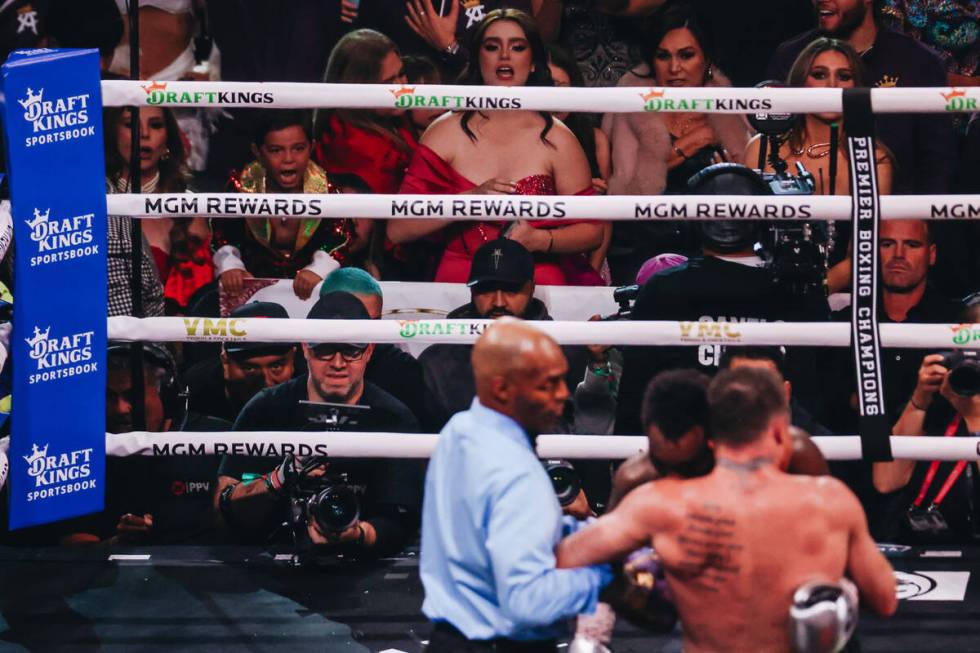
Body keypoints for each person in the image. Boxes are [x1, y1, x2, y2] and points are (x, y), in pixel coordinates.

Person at [557, 367, 897, 652]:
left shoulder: (660, 502)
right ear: (781, 430)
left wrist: (625, 586)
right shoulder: (830, 499)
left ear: (710, 434)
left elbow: (564, 559)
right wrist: (830, 589)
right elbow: (884, 599)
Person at [421, 320, 612, 651]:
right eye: (548, 385)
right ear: (502, 389)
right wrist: (606, 578)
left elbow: (488, 527)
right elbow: (528, 603)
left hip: (448, 638)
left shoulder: (460, 430)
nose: (564, 394)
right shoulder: (518, 474)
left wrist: (585, 534)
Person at [389, 9, 605, 286]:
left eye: (517, 47)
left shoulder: (558, 138)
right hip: (459, 279)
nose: (504, 56)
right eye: (492, 47)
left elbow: (592, 231)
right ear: (478, 59)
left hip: (536, 277)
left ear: (534, 62)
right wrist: (467, 202)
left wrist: (542, 240)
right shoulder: (444, 131)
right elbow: (398, 230)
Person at [614, 164, 830, 435]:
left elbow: (634, 406)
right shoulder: (799, 291)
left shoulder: (664, 289)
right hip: (776, 453)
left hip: (687, 457)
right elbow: (821, 402)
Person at [213, 292, 422, 554]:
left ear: (368, 351)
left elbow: (401, 519)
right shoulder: (266, 408)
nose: (337, 364)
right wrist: (279, 478)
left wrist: (357, 534)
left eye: (350, 351)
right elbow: (223, 507)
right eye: (324, 350)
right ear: (305, 348)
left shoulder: (392, 418)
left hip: (364, 569)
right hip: (271, 561)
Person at [601, 4, 749, 284]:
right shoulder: (632, 101)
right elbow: (630, 188)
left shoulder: (727, 106)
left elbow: (746, 183)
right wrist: (693, 143)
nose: (674, 68)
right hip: (641, 239)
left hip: (710, 242)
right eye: (663, 56)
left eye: (686, 55)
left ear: (706, 61)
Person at [746, 37, 894, 293]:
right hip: (761, 289)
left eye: (844, 76)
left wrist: (815, 293)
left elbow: (866, 252)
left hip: (836, 297)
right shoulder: (762, 148)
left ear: (857, 86)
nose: (832, 86)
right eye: (819, 74)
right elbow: (745, 238)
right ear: (801, 82)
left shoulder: (873, 159)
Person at [766, 0, 955, 196]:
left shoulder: (918, 62)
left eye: (844, 76)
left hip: (895, 212)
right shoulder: (789, 57)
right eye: (819, 75)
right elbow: (771, 143)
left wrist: (918, 219)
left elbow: (938, 163)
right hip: (801, 211)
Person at [418, 238, 592, 431]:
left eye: (511, 289)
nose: (499, 302)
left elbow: (590, 431)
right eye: (486, 289)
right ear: (472, 291)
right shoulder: (435, 363)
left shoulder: (566, 353)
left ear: (531, 289)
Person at [63, 344, 229, 545]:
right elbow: (71, 540)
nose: (121, 409)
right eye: (108, 397)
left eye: (133, 395)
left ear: (165, 395)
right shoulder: (79, 452)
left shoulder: (216, 440)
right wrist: (114, 545)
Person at [214, 110, 358, 300]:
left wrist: (318, 269)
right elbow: (222, 232)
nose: (288, 158)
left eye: (298, 148)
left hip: (314, 294)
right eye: (276, 150)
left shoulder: (328, 189)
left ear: (312, 147)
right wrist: (231, 266)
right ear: (258, 151)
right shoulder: (240, 186)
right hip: (252, 292)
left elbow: (341, 238)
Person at [105, 104, 213, 310]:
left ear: (168, 141)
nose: (144, 134)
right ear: (112, 133)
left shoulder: (190, 207)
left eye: (155, 125)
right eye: (130, 125)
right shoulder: (96, 205)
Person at [313, 29, 417, 196]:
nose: (402, 87)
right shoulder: (349, 142)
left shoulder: (394, 119)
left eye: (402, 74)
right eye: (389, 81)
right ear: (359, 84)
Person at [318, 267, 427, 422]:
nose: (369, 331)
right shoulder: (300, 361)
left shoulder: (403, 370)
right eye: (359, 319)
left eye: (374, 321)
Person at [547, 43, 612, 276]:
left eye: (558, 86)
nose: (551, 98)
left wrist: (591, 275)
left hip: (588, 257)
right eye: (543, 87)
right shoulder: (522, 138)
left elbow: (606, 218)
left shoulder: (595, 140)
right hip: (538, 253)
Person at [183, 302, 299, 423]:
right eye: (249, 369)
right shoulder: (196, 390)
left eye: (276, 366)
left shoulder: (308, 384)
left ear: (293, 358)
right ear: (225, 362)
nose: (266, 382)